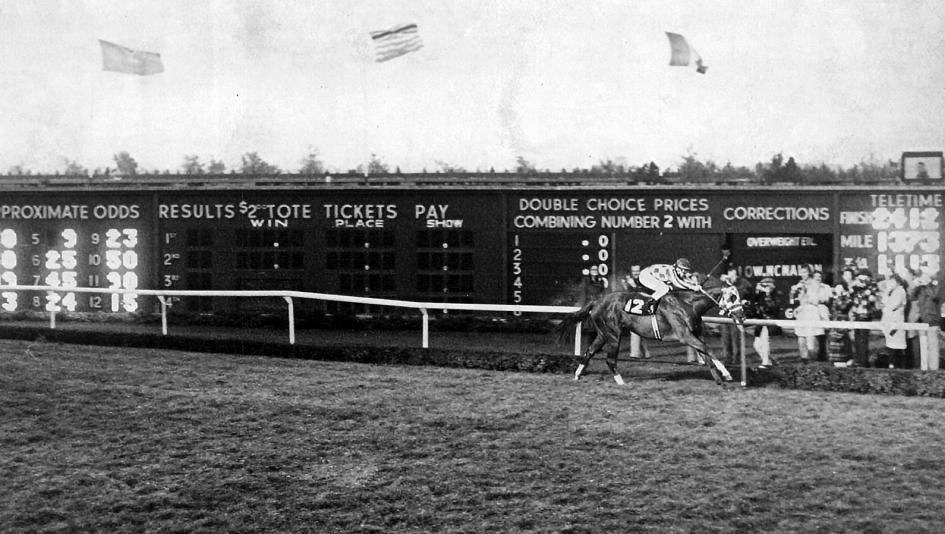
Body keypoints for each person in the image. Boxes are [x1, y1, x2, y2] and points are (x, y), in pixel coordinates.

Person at [637, 258, 702, 314]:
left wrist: (694, 283)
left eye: (686, 270)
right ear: (677, 267)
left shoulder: (675, 269)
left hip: (652, 275)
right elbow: (678, 283)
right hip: (645, 276)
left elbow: (684, 278)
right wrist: (693, 287)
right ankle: (649, 303)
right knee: (665, 288)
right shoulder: (670, 271)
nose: (684, 272)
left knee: (669, 287)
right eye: (682, 269)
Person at [749, 276, 782, 368]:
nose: (766, 287)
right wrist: (756, 291)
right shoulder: (761, 295)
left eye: (768, 285)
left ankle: (766, 362)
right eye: (764, 285)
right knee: (756, 345)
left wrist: (768, 295)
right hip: (761, 322)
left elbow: (774, 308)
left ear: (773, 285)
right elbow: (753, 303)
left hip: (770, 321)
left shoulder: (777, 294)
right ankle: (770, 360)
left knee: (764, 342)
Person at [849, 269, 879, 367]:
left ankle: (863, 361)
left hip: (866, 315)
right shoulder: (856, 286)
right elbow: (853, 298)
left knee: (863, 339)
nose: (861, 279)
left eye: (863, 276)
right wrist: (855, 287)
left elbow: (871, 299)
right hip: (857, 314)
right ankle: (858, 359)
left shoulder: (872, 286)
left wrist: (865, 287)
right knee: (857, 338)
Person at [719, 265, 746, 364]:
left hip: (735, 314)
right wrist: (722, 283)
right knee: (725, 337)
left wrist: (731, 286)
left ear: (736, 275)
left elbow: (742, 293)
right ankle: (727, 357)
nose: (731, 278)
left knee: (736, 337)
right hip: (725, 314)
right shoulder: (723, 284)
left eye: (733, 275)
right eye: (729, 276)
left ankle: (737, 357)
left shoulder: (742, 283)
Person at [880, 273, 908, 368]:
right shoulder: (890, 291)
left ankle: (900, 367)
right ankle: (891, 365)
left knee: (898, 347)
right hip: (889, 321)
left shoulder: (901, 291)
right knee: (890, 346)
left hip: (896, 323)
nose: (890, 283)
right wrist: (887, 291)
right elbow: (883, 302)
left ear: (898, 282)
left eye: (892, 281)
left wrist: (887, 305)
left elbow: (893, 305)